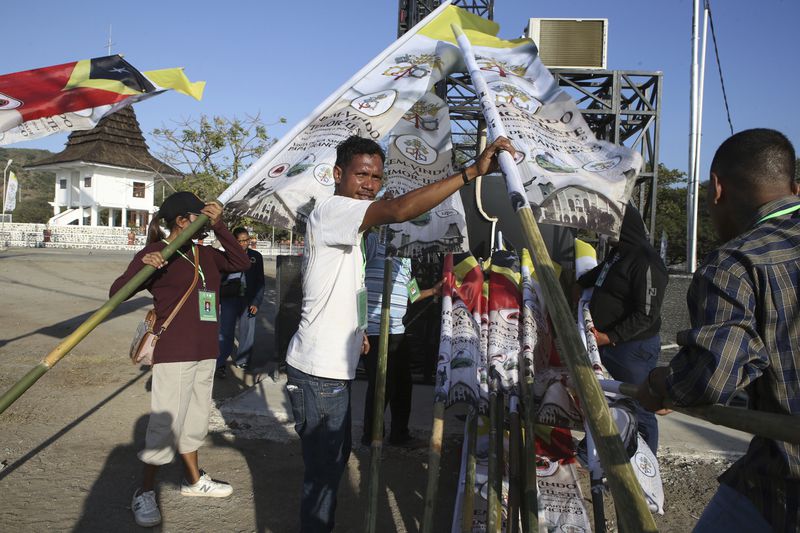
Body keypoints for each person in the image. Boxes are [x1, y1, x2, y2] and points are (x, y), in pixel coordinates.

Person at [285, 134, 514, 532]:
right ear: (338, 175)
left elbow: (347, 287)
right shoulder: (336, 209)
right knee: (322, 479)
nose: (370, 185)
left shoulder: (350, 229)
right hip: (319, 374)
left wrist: (359, 331)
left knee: (332, 467)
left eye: (376, 177)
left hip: (331, 370)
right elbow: (399, 210)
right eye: (360, 175)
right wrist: (471, 173)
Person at [636, 129, 800, 532]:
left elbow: (712, 376)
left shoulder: (737, 262)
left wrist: (663, 381)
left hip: (784, 481)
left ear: (717, 189)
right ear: (794, 187)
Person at [110, 191, 251, 528]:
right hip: (174, 353)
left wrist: (221, 228)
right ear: (182, 220)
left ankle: (193, 480)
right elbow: (117, 293)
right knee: (165, 425)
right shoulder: (157, 252)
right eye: (198, 218)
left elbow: (241, 262)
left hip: (206, 352)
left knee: (195, 420)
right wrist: (143, 269)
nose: (202, 224)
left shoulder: (206, 254)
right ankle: (145, 491)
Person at [575, 203, 668, 454]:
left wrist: (610, 337)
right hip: (605, 343)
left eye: (608, 228)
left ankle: (646, 461)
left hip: (632, 348)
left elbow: (646, 315)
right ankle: (599, 448)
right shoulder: (618, 254)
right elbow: (600, 275)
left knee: (641, 404)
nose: (604, 234)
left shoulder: (646, 261)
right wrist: (578, 284)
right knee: (604, 397)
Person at [360, 230, 442, 448]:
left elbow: (411, 293)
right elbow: (355, 280)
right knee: (381, 385)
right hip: (375, 332)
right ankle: (371, 436)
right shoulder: (373, 240)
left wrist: (433, 291)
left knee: (404, 385)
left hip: (398, 331)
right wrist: (360, 329)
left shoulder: (405, 258)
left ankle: (400, 434)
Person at [216, 227, 265, 377]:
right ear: (234, 241)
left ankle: (243, 360)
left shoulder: (256, 257)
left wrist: (256, 302)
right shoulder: (226, 256)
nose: (244, 243)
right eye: (240, 241)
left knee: (247, 332)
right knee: (225, 333)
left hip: (249, 301)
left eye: (246, 240)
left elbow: (260, 282)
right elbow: (218, 278)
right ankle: (220, 364)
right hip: (229, 299)